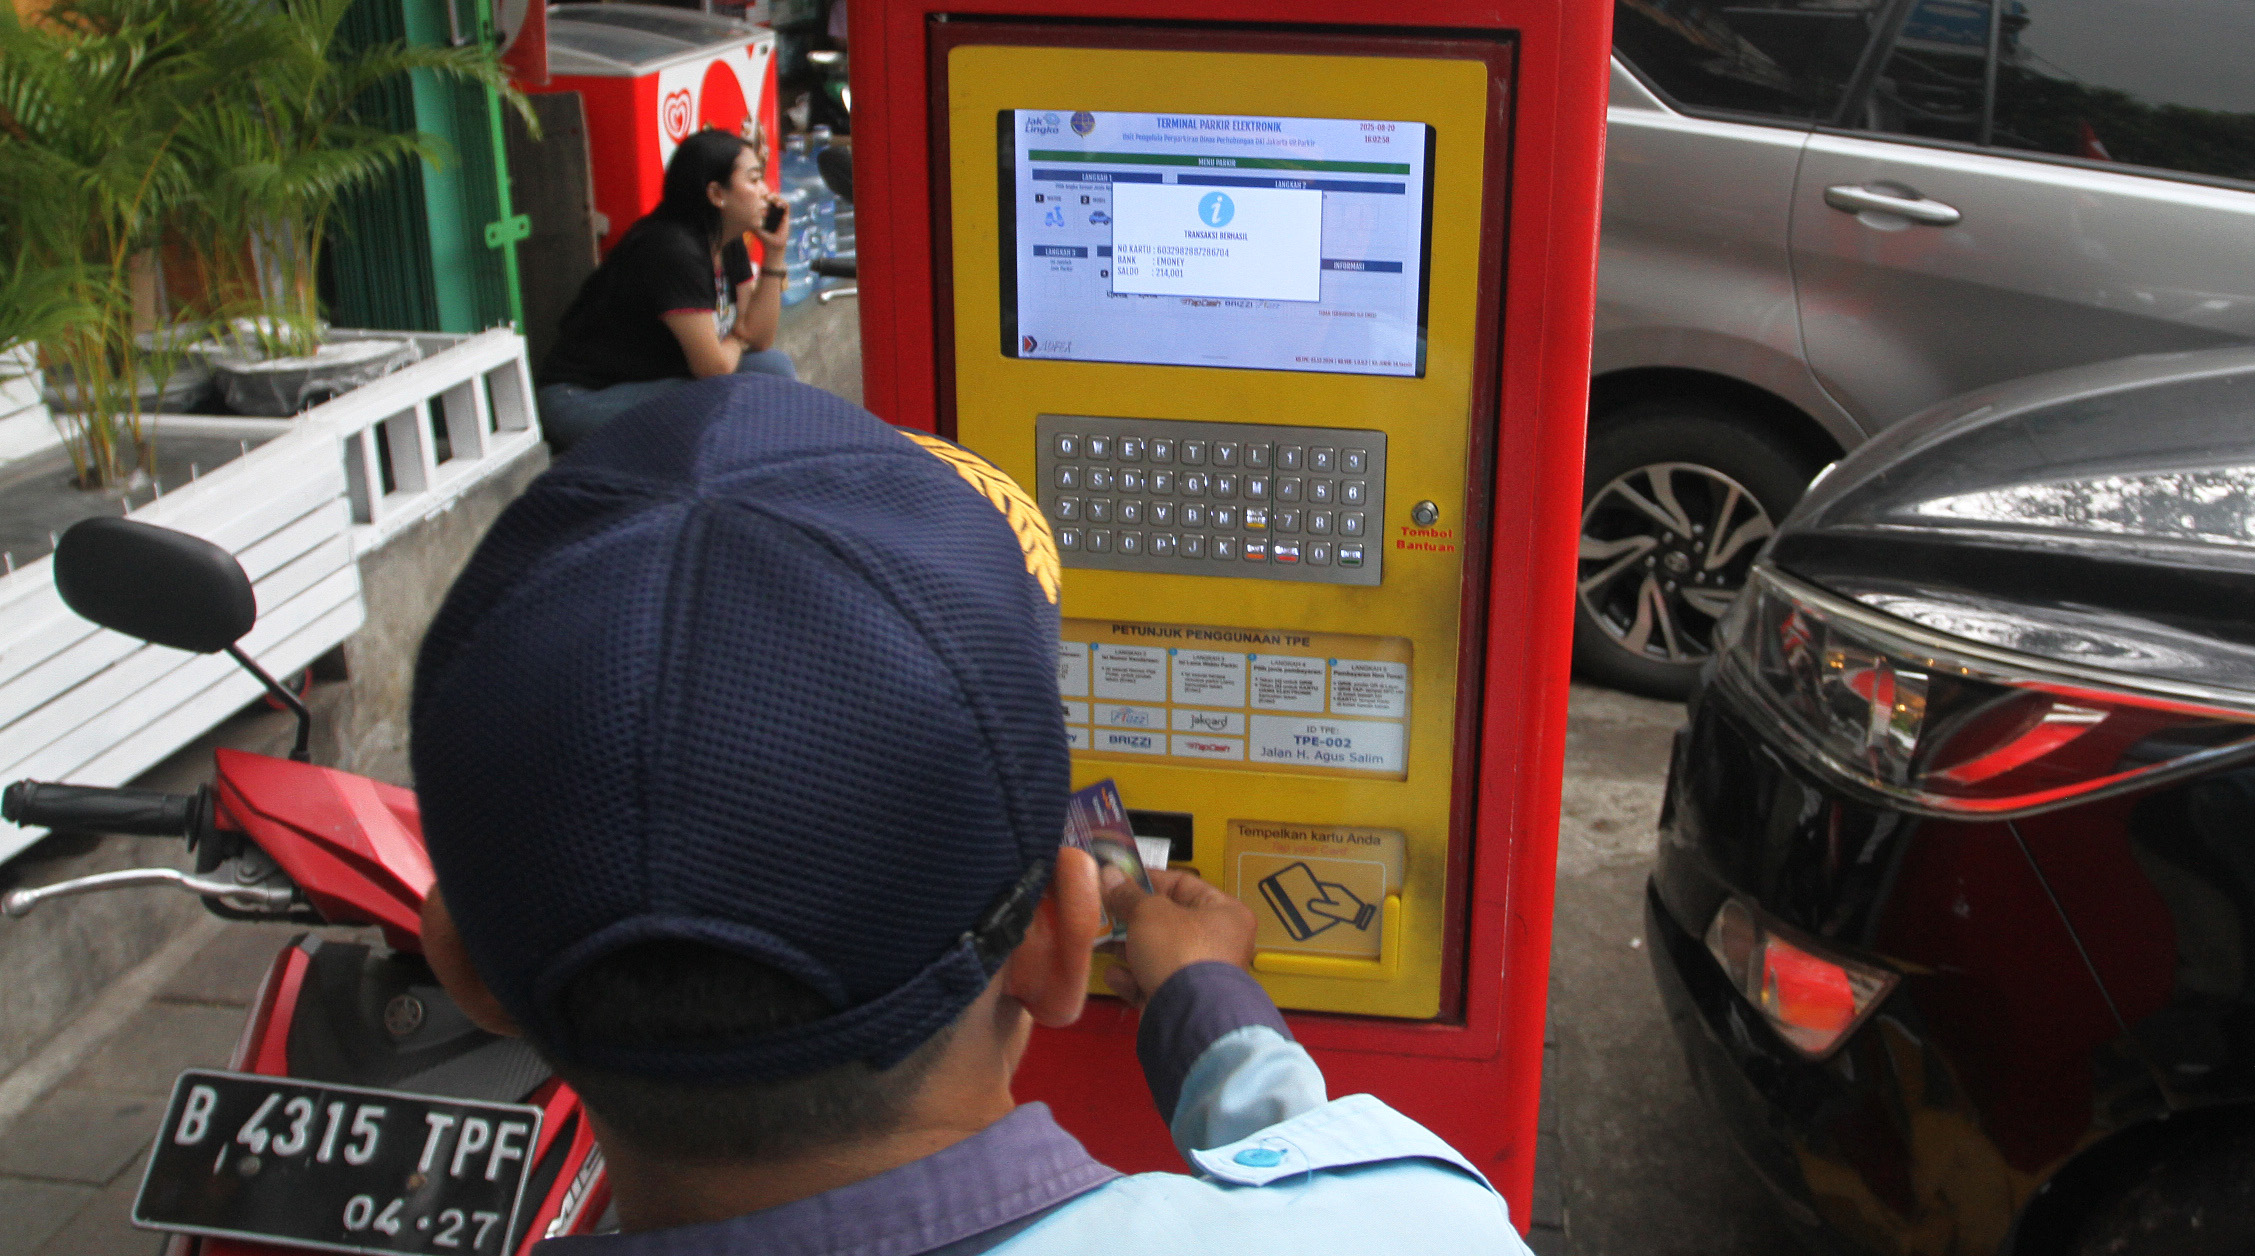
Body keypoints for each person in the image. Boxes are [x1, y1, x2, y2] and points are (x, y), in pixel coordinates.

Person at [407, 379, 1529, 1255]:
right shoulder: (1432, 1228)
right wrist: (1215, 1014)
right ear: (1055, 941)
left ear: (465, 966)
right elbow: (1345, 1207)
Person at [534, 128, 797, 449]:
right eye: (754, 180)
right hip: (583, 399)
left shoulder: (726, 239)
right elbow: (715, 368)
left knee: (774, 369)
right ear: (716, 195)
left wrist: (775, 253)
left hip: (658, 382)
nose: (766, 192)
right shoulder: (671, 250)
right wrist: (738, 336)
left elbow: (761, 339)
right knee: (723, 403)